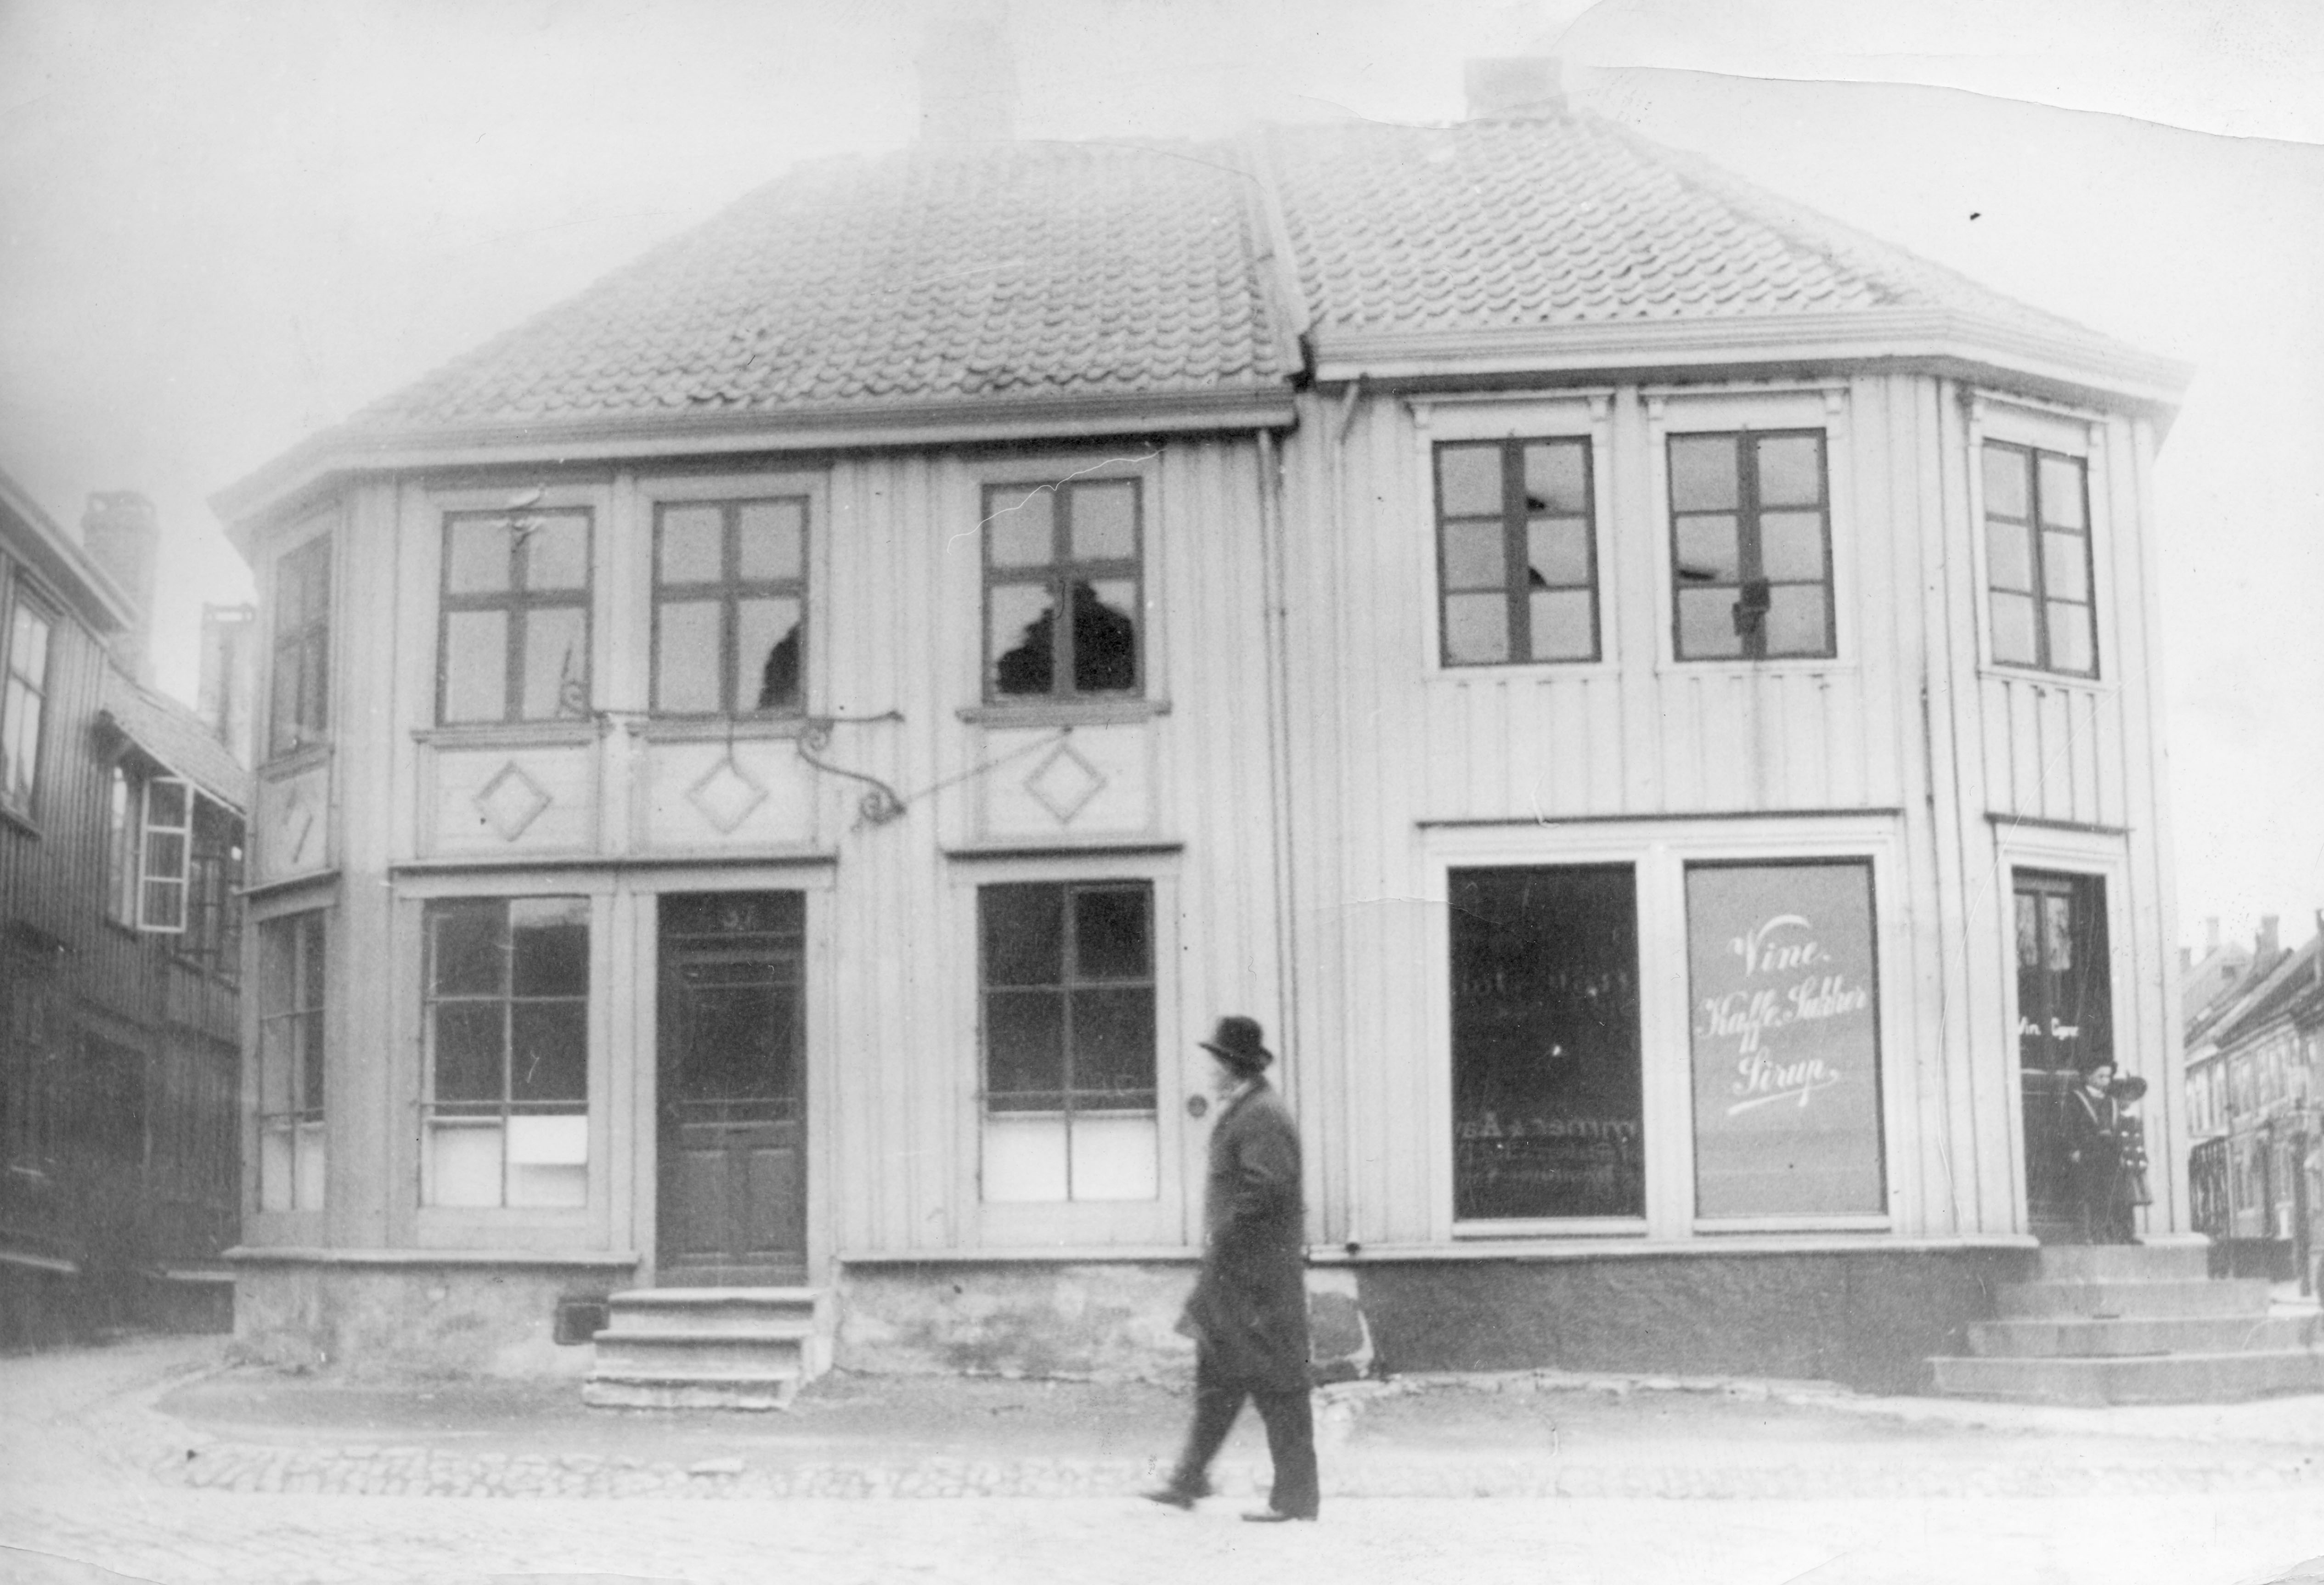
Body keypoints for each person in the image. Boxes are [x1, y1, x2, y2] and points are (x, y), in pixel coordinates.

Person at [1143, 1015, 1318, 1523]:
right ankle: (1188, 1479)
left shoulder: (1261, 1114)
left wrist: (1225, 1237)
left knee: (1279, 1388)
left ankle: (1296, 1498)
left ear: (1232, 1065)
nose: (1209, 1070)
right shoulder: (1250, 1108)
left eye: (1215, 1061)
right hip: (1236, 1277)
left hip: (1257, 1280)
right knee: (1218, 1376)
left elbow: (1267, 1188)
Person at [2063, 1058, 2131, 1243]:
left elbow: (2117, 1129)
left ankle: (2102, 1232)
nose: (2105, 1081)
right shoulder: (2077, 1098)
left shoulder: (2111, 1101)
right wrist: (2073, 1148)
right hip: (2088, 1152)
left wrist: (2121, 1152)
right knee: (2087, 1192)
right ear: (2088, 1077)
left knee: (2107, 1193)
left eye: (2108, 1077)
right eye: (2101, 1076)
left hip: (2109, 1153)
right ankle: (2085, 1234)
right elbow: (2069, 1125)